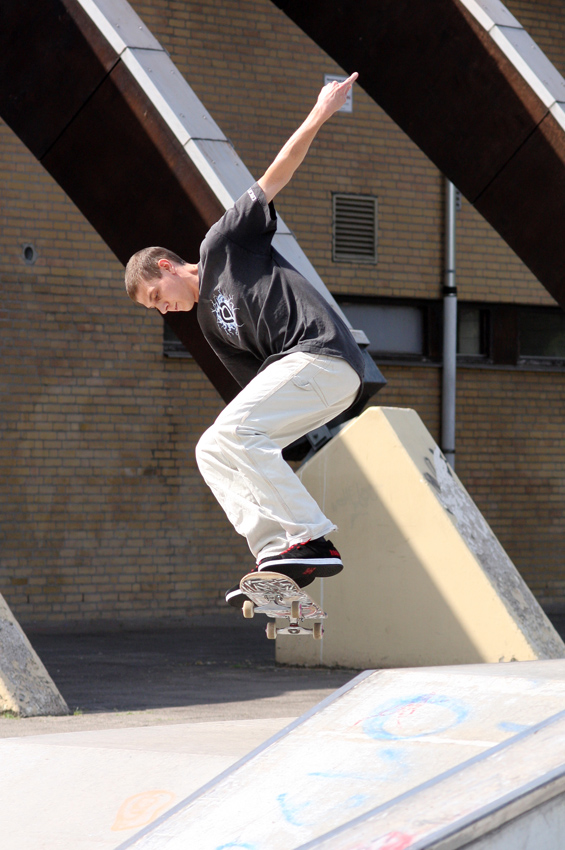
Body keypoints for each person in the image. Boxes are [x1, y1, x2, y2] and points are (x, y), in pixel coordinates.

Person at [125, 73, 365, 608]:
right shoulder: (212, 327)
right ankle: (278, 554)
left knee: (232, 432)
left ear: (166, 267)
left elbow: (276, 173)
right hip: (305, 383)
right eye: (155, 309)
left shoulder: (223, 244)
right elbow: (256, 409)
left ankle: (310, 538)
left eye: (156, 296)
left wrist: (320, 112)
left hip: (323, 355)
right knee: (213, 446)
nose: (163, 309)